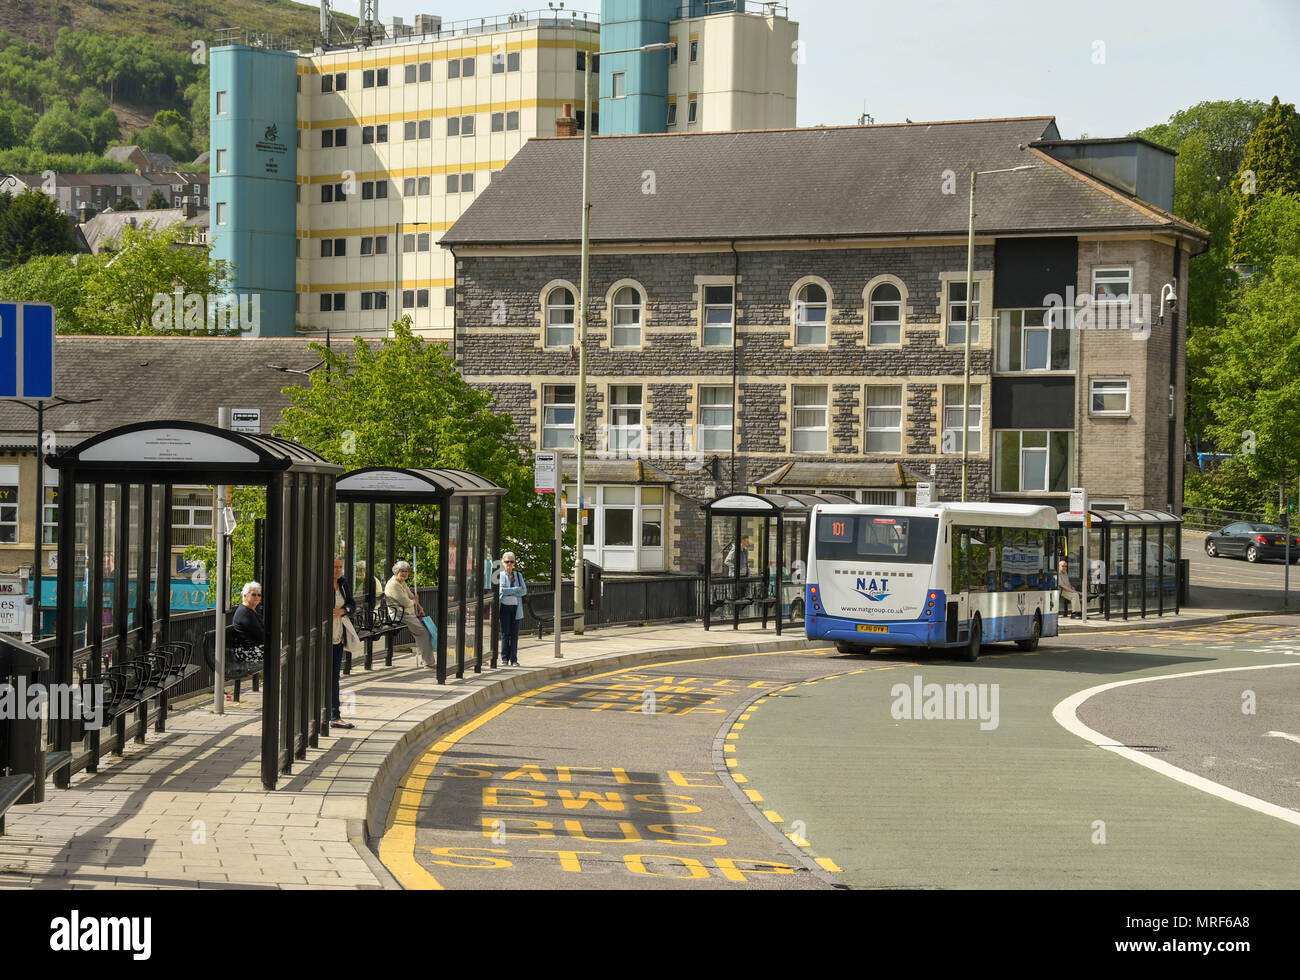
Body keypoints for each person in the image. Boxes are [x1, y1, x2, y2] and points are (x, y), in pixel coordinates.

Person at [386, 560, 434, 668]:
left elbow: (412, 596)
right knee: (424, 633)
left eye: (406, 571)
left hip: (407, 613)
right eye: (402, 571)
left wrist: (419, 607)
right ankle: (429, 662)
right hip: (400, 614)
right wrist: (414, 602)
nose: (404, 573)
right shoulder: (393, 585)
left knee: (424, 632)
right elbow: (407, 602)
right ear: (396, 571)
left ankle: (427, 659)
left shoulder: (401, 582)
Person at [330, 555, 358, 729]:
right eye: (335, 567)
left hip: (338, 636)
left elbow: (352, 604)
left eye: (340, 567)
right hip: (322, 636)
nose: (338, 570)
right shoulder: (320, 583)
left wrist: (343, 611)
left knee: (334, 678)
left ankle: (335, 715)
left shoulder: (343, 583)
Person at [497, 551, 526, 666]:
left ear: (514, 563)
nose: (509, 564)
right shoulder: (501, 575)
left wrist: (510, 592)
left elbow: (524, 591)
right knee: (505, 633)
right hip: (504, 608)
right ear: (503, 563)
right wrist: (515, 589)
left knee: (514, 634)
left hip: (516, 608)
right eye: (507, 561)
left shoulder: (518, 575)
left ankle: (514, 659)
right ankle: (504, 659)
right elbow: (502, 591)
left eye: (511, 561)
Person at [231, 581, 264, 650]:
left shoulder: (250, 610)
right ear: (245, 596)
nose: (257, 597)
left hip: (256, 647)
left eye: (259, 595)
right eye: (253, 594)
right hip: (248, 650)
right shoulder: (245, 613)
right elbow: (261, 635)